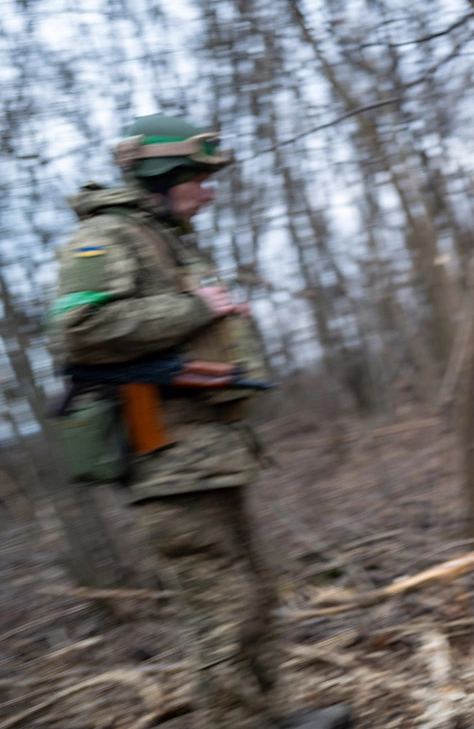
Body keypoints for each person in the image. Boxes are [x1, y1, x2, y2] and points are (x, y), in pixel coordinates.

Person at [47, 114, 351, 729]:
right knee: (222, 610)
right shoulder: (106, 235)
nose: (210, 191)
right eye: (200, 177)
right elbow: (77, 332)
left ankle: (272, 715)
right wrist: (193, 307)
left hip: (209, 452)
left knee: (256, 593)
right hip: (167, 459)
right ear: (164, 175)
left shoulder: (165, 235)